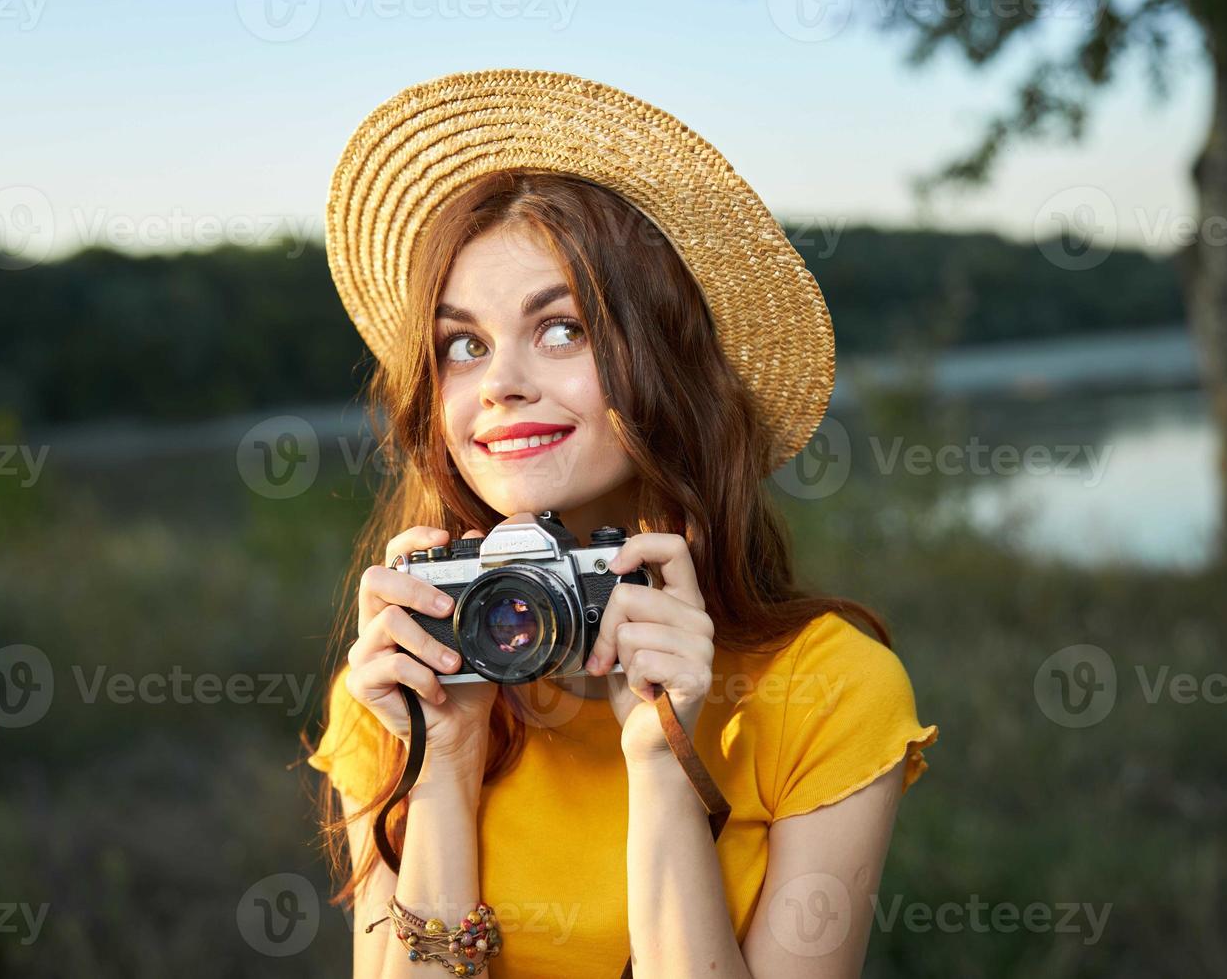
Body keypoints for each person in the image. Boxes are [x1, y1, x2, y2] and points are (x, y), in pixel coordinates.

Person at [305, 68, 939, 978]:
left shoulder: (831, 689)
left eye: (561, 329)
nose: (499, 384)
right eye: (463, 345)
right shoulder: (400, 677)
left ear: (664, 363)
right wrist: (442, 763)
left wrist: (663, 765)